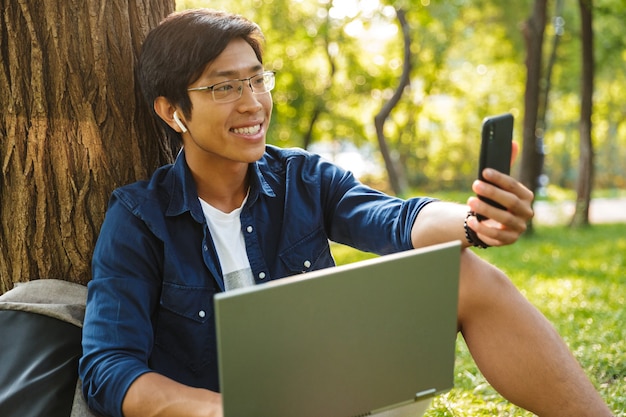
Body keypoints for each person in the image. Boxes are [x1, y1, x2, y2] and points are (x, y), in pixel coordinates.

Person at [79, 8, 613, 417]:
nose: (252, 103)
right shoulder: (139, 216)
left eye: (256, 79)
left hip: (331, 395)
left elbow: (398, 221)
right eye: (223, 86)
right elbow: (109, 368)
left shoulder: (304, 179)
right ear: (174, 112)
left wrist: (476, 223)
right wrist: (222, 410)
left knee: (462, 273)